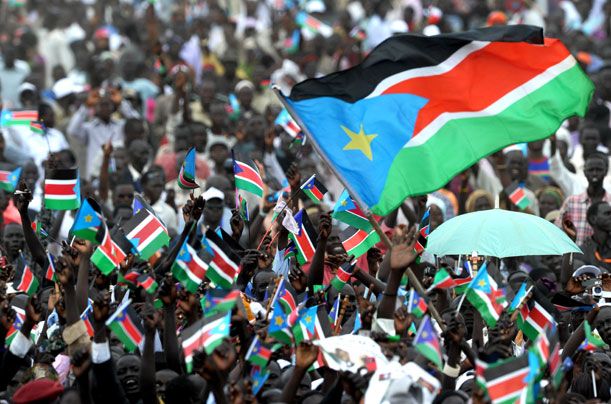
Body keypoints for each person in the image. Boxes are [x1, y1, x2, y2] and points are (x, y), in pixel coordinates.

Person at [556, 152, 611, 245]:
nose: (594, 173)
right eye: (591, 170)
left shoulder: (610, 203)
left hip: (605, 257)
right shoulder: (572, 202)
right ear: (585, 172)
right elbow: (558, 229)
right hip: (577, 256)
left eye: (599, 170)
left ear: (605, 171)